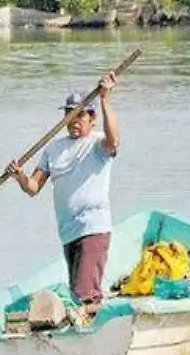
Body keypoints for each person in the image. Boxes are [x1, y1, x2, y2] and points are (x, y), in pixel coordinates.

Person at [7, 71, 120, 311]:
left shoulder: (97, 144)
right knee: (78, 292)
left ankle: (89, 338)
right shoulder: (53, 149)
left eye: (81, 115)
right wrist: (19, 176)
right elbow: (33, 187)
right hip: (68, 232)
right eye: (70, 115)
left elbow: (114, 141)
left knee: (84, 295)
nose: (74, 121)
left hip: (93, 227)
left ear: (92, 119)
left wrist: (105, 100)